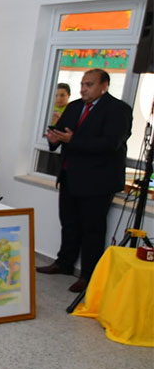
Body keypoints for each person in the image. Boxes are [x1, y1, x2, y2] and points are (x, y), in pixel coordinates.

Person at [37, 69, 132, 292]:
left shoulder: (118, 110)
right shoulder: (74, 106)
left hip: (98, 181)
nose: (83, 89)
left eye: (89, 84)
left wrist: (73, 139)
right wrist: (53, 139)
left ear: (104, 86)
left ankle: (89, 275)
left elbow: (110, 144)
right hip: (70, 176)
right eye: (82, 84)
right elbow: (61, 134)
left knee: (93, 229)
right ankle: (64, 263)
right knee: (69, 223)